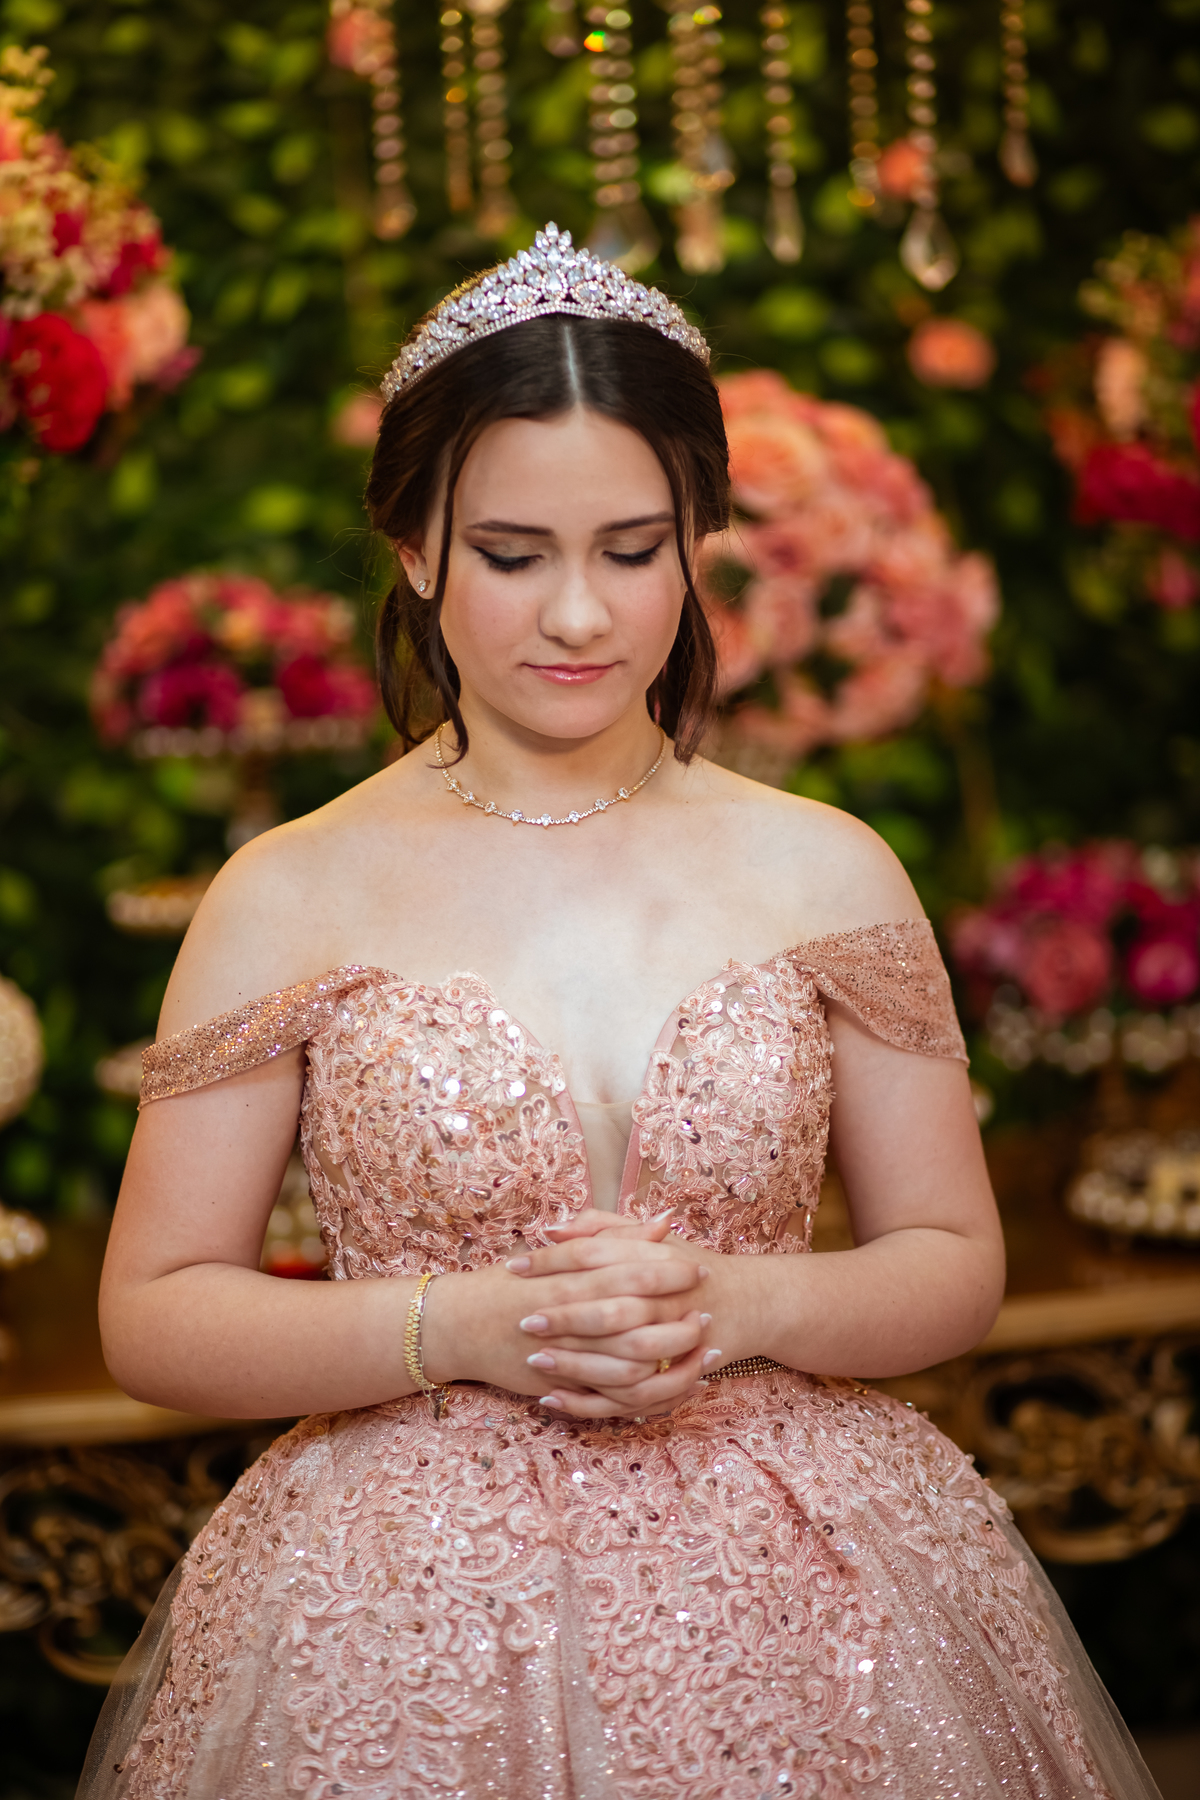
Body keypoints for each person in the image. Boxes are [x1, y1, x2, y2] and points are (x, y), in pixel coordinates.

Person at [80, 226, 1160, 1800]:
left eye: (634, 550)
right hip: (401, 1615)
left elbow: (951, 1259)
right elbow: (155, 1310)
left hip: (811, 1602)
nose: (579, 616)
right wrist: (456, 1329)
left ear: (697, 541)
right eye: (514, 555)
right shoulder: (288, 893)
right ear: (415, 550)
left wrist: (741, 1306)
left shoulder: (827, 869)